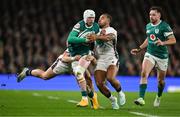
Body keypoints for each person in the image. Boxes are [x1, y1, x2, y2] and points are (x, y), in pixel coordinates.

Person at [130, 6, 176, 107]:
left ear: (159, 15)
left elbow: (173, 40)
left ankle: (158, 96)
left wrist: (163, 43)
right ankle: (141, 98)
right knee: (143, 73)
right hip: (150, 54)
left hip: (162, 57)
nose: (151, 16)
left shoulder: (164, 26)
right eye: (150, 14)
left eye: (154, 14)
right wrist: (140, 48)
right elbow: (148, 39)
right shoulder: (148, 26)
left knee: (161, 81)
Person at [87, 13, 126, 109]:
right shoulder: (96, 31)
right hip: (101, 59)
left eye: (102, 18)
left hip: (112, 57)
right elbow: (91, 45)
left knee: (110, 78)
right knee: (99, 83)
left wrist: (97, 37)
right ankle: (113, 100)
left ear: (108, 21)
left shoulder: (111, 30)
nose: (99, 20)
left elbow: (109, 37)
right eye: (99, 18)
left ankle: (120, 92)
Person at [67, 9, 99, 109]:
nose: (92, 19)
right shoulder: (79, 25)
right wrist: (84, 39)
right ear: (85, 18)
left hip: (86, 53)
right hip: (75, 54)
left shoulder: (96, 26)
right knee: (82, 77)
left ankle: (84, 99)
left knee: (79, 73)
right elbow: (70, 39)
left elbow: (96, 42)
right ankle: (93, 96)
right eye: (90, 17)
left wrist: (92, 53)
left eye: (93, 17)